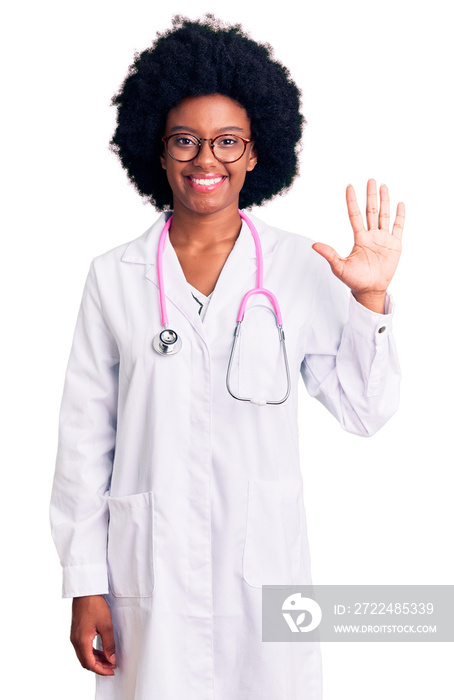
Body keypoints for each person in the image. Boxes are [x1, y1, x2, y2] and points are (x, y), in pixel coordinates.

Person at [49, 14, 405, 700]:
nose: (204, 159)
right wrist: (85, 582)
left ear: (254, 152)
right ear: (156, 150)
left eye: (227, 142)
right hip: (148, 575)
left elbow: (366, 411)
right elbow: (83, 444)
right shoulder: (115, 276)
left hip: (264, 572)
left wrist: (371, 300)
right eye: (185, 139)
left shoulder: (301, 266)